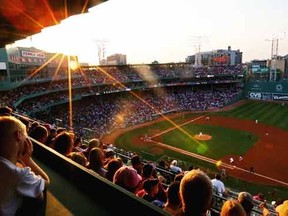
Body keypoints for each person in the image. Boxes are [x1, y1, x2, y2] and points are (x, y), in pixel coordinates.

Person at [0, 116, 50, 215]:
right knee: (40, 195)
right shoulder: (18, 174)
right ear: (18, 135)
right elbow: (46, 182)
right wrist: (27, 160)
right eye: (26, 135)